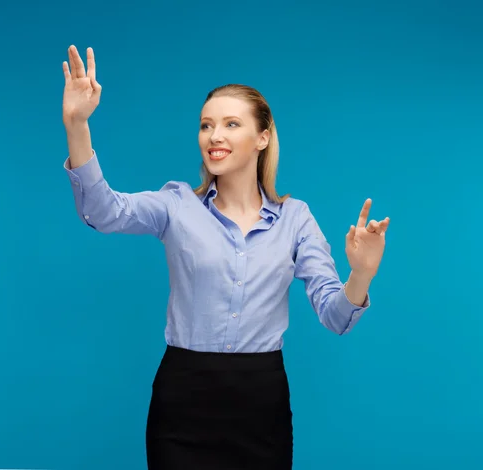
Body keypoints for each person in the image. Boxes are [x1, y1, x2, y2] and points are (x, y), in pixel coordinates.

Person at [61, 45, 390, 470]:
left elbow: (334, 315)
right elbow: (102, 211)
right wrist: (77, 124)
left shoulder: (295, 219)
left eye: (231, 124)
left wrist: (361, 274)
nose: (214, 136)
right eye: (206, 125)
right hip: (183, 398)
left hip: (261, 404)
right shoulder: (175, 204)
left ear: (262, 137)